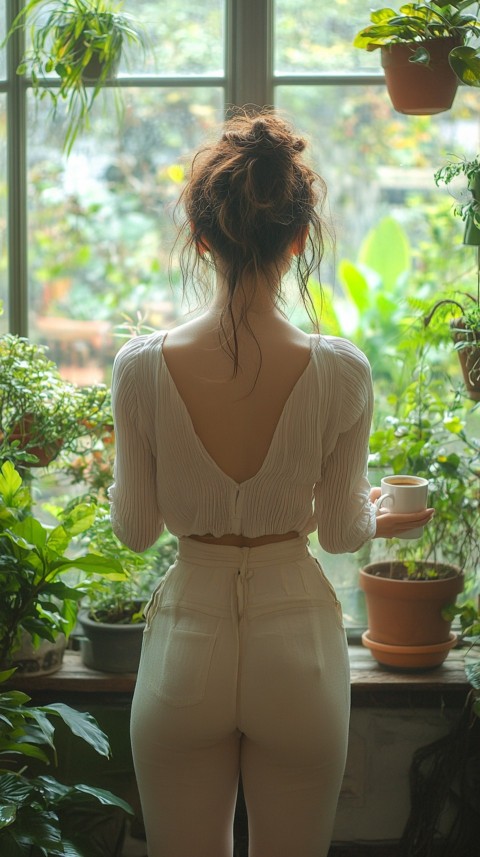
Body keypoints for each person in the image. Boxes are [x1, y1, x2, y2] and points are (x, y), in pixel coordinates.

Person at [109, 111, 434, 857]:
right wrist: (378, 515)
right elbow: (342, 532)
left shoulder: (140, 365)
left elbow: (134, 529)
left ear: (200, 238)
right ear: (297, 238)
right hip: (299, 644)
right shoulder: (342, 368)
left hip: (188, 633)